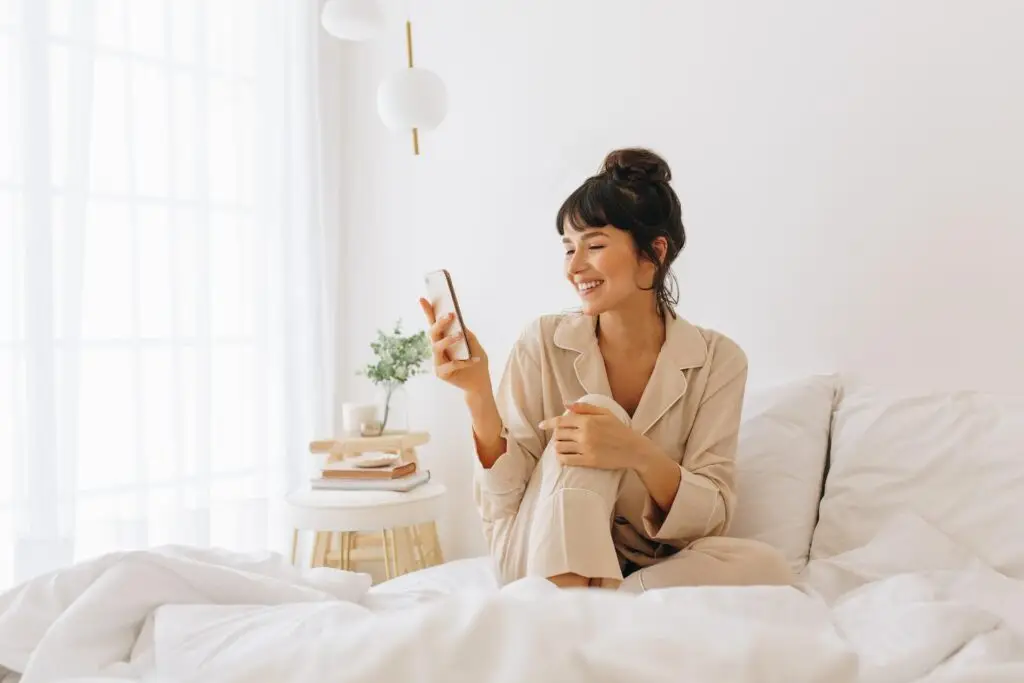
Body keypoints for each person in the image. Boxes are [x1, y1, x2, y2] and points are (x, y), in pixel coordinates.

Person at [418, 148, 793, 592]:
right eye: (568, 249)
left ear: (653, 252)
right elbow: (504, 502)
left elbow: (709, 516)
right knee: (594, 413)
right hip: (538, 549)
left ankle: (611, 600)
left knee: (768, 568)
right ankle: (572, 602)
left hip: (647, 563)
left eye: (594, 246)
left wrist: (635, 452)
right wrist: (477, 394)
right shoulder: (541, 341)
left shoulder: (719, 360)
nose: (575, 267)